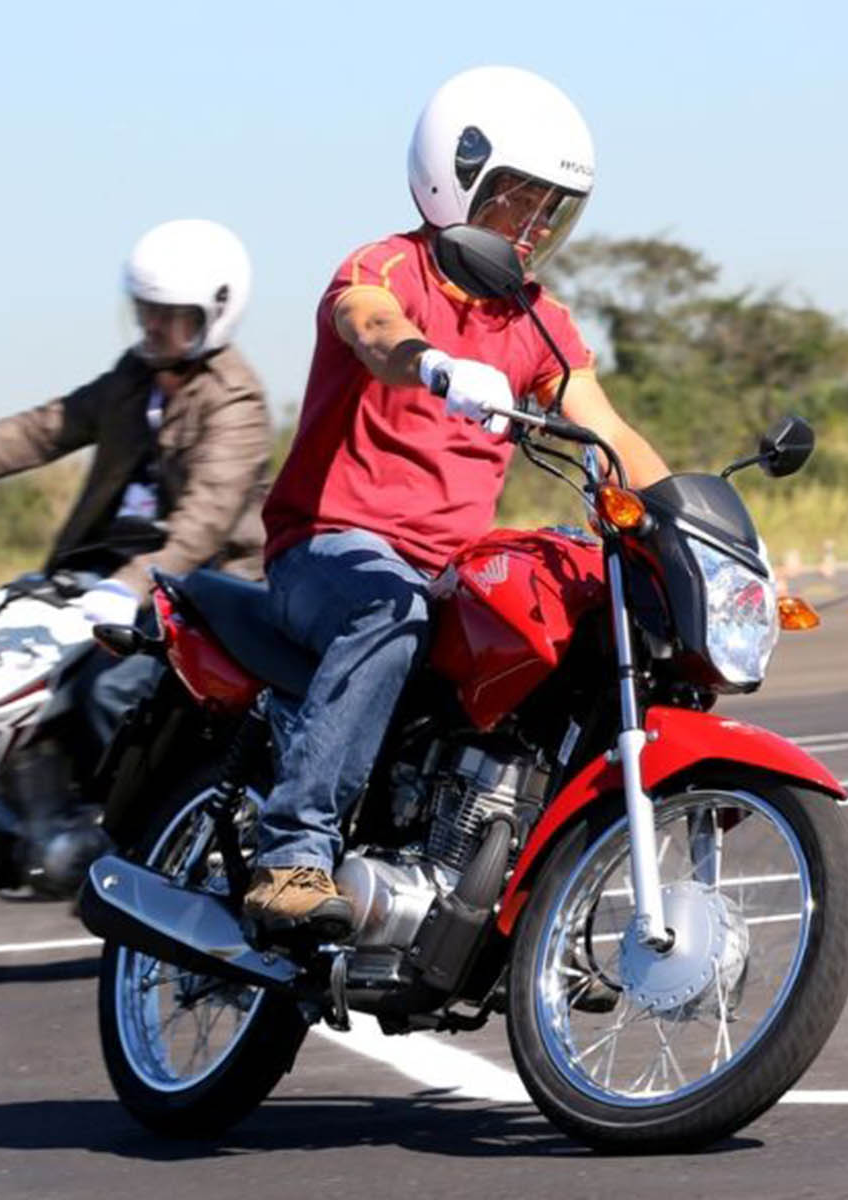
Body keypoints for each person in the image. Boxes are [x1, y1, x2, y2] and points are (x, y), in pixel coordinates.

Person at [243, 66, 670, 937]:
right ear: (458, 176)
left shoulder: (537, 318)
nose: (539, 225)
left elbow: (605, 426)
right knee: (390, 608)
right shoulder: (388, 266)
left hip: (446, 566)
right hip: (329, 548)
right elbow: (370, 327)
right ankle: (291, 852)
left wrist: (688, 522)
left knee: (579, 602)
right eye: (523, 199)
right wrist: (431, 362)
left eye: (555, 208)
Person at [0, 218, 272, 751]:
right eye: (146, 309)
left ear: (215, 315)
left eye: (172, 315)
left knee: (109, 693)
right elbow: (44, 429)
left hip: (200, 590)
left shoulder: (235, 400)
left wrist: (129, 587)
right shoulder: (134, 376)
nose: (153, 325)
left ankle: (124, 831)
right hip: (103, 574)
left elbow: (204, 522)